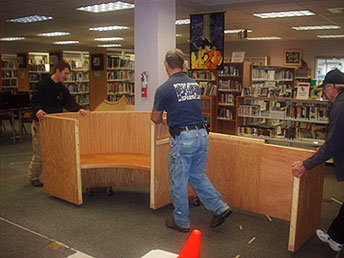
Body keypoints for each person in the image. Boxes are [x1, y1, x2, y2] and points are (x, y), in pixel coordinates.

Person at [151, 48, 231, 233]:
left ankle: (181, 220)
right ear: (184, 64)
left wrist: (166, 120)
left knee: (178, 180)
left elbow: (155, 118)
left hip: (184, 138)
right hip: (202, 134)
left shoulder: (163, 89)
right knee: (197, 175)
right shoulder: (195, 84)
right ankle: (220, 207)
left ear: (166, 64)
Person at [291, 69, 344, 252]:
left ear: (331, 87)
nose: (325, 95)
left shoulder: (339, 106)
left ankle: (336, 238)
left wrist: (306, 165)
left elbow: (334, 144)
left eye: (324, 90)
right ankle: (336, 237)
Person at [28, 60, 88, 187]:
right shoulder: (42, 85)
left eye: (67, 74)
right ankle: (33, 176)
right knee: (40, 151)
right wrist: (38, 110)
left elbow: (69, 102)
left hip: (55, 123)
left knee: (55, 150)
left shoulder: (61, 88)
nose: (66, 77)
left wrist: (79, 109)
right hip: (41, 123)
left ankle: (53, 175)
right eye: (65, 74)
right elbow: (34, 102)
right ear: (57, 71)